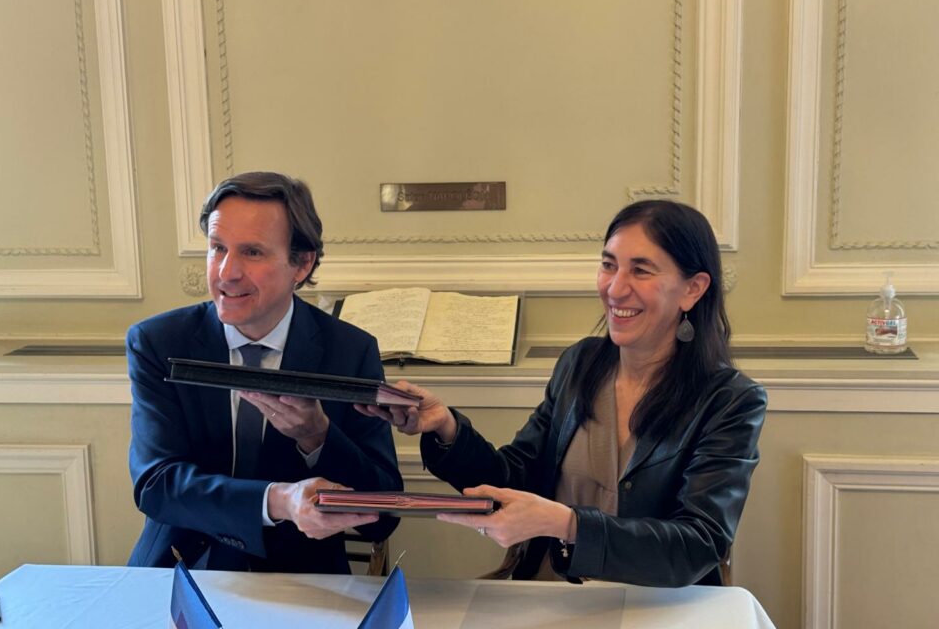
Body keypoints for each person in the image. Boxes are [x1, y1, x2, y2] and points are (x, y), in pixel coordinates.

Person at [360, 200, 766, 587]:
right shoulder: (580, 363)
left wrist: (567, 524)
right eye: (608, 265)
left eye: (641, 270)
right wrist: (446, 428)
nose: (615, 288)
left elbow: (696, 545)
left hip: (655, 611)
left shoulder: (731, 400)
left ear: (693, 289)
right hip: (552, 594)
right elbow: (514, 477)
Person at [127, 171, 401, 573]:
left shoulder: (350, 351)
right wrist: (279, 501)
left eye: (252, 252)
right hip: (181, 567)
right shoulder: (159, 342)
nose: (226, 272)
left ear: (301, 264)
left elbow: (383, 514)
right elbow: (156, 484)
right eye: (217, 248)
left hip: (302, 580)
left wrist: (318, 437)